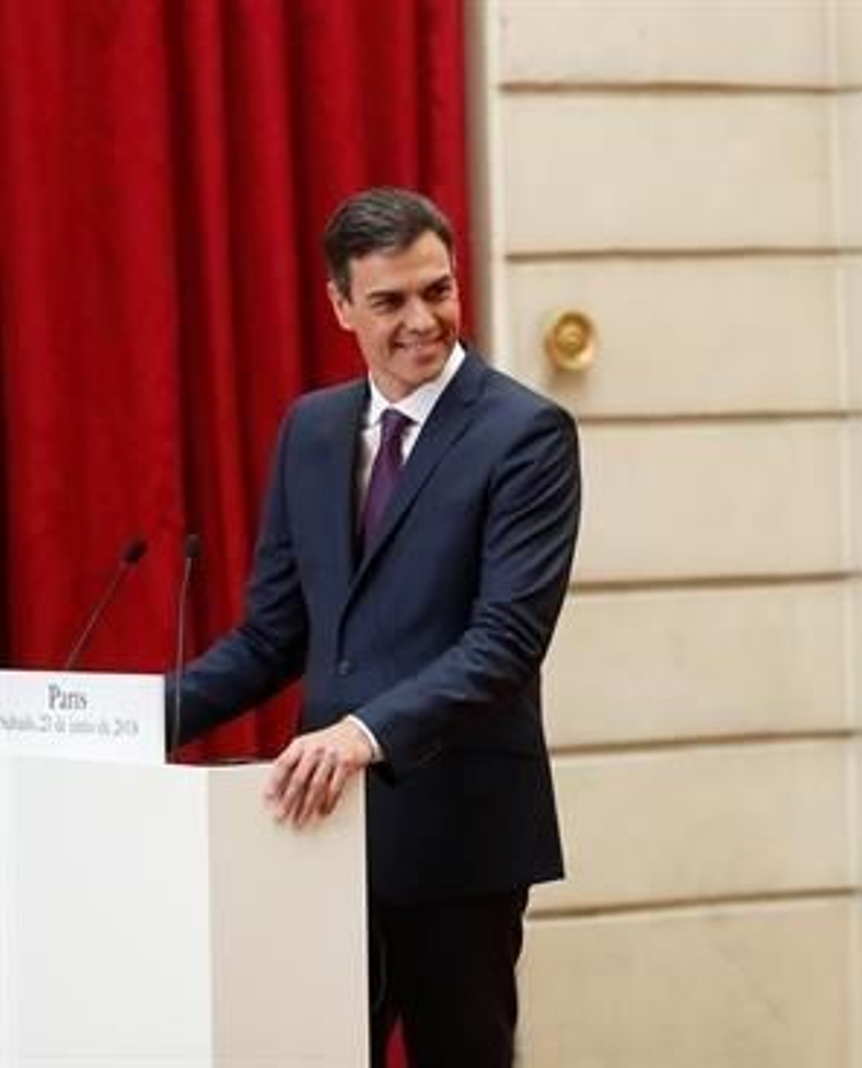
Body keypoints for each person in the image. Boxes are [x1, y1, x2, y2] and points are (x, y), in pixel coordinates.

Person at [171, 186, 581, 1067]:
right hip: (320, 839)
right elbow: (272, 637)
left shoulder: (526, 434)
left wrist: (361, 736)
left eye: (437, 291)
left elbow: (505, 641)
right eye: (391, 301)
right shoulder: (312, 430)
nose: (423, 321)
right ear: (341, 305)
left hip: (460, 839)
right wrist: (131, 722)